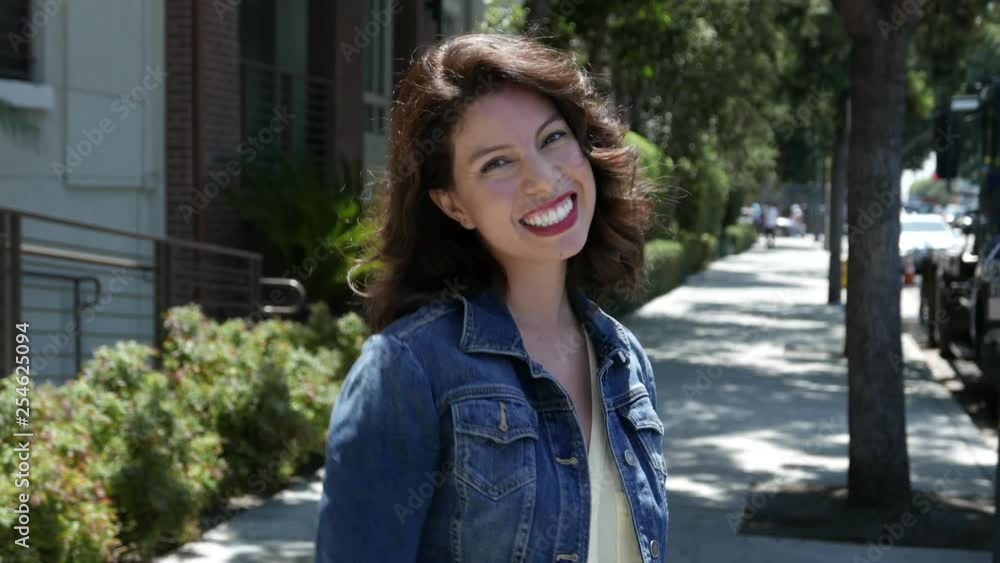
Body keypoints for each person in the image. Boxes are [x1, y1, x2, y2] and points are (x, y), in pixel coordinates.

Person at [315, 33, 669, 563]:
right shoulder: (408, 371)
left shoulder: (625, 359)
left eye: (552, 139)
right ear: (454, 203)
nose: (542, 179)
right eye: (496, 164)